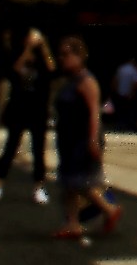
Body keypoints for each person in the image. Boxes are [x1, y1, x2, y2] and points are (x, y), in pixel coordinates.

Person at [48, 38, 120, 246]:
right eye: (60, 54)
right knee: (68, 184)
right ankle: (72, 224)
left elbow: (93, 114)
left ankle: (109, 209)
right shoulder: (69, 81)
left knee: (81, 183)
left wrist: (92, 140)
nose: (62, 59)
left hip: (82, 140)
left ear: (79, 56)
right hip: (68, 140)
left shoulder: (87, 81)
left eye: (66, 54)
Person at [0, 28, 54, 205]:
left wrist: (43, 46)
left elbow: (51, 69)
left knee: (38, 150)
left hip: (38, 110)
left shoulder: (43, 60)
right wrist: (27, 50)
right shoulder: (17, 55)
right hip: (19, 108)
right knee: (10, 147)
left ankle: (39, 187)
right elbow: (14, 70)